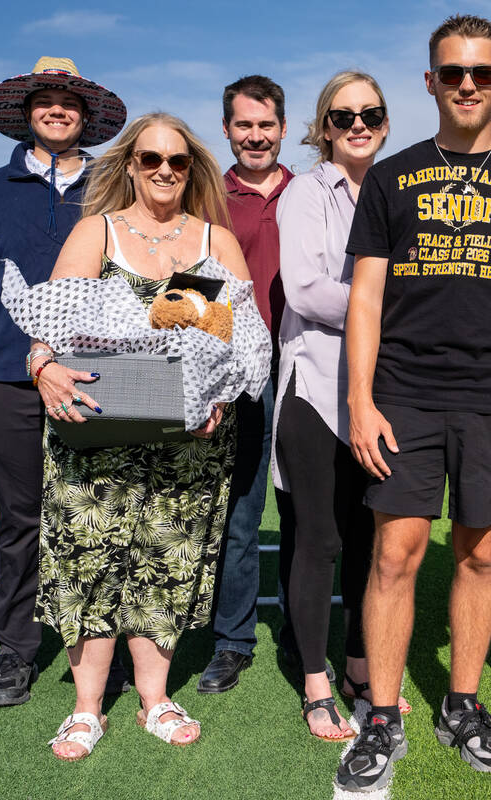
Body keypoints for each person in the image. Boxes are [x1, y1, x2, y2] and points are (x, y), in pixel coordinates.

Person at [336, 14, 491, 791]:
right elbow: (365, 299)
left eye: (481, 73)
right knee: (394, 555)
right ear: (430, 81)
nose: (467, 85)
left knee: (481, 553)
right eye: (452, 72)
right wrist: (360, 399)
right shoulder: (391, 178)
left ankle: (462, 705)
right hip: (404, 392)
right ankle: (382, 715)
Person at [27, 112, 259, 760]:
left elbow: (240, 338)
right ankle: (86, 710)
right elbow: (48, 326)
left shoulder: (214, 241)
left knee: (168, 559)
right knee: (89, 558)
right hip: (96, 435)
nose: (164, 170)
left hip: (188, 443)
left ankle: (155, 700)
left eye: (176, 161)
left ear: (191, 169)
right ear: (130, 164)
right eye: (151, 158)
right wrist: (42, 367)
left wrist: (220, 397)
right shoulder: (95, 232)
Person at [0, 57, 127, 707]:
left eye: (69, 100)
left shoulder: (114, 185)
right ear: (27, 111)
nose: (57, 109)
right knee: (20, 520)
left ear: (86, 115)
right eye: (45, 99)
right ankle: (17, 650)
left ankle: (100, 645)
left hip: (95, 374)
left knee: (98, 515)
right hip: (6, 382)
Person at [273, 70, 411, 740]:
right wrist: (390, 307)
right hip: (317, 389)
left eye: (370, 114)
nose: (358, 125)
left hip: (384, 392)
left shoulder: (400, 190)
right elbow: (304, 289)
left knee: (368, 538)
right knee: (319, 540)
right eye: (343, 115)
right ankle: (315, 682)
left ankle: (358, 666)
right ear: (323, 128)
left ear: (385, 123)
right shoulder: (306, 192)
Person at [199, 74, 298, 695]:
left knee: (303, 512)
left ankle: (300, 630)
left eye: (266, 125)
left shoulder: (312, 192)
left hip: (308, 369)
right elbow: (193, 290)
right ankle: (233, 640)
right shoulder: (208, 199)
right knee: (241, 512)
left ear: (283, 128)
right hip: (240, 375)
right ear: (227, 129)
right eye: (244, 125)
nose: (255, 136)